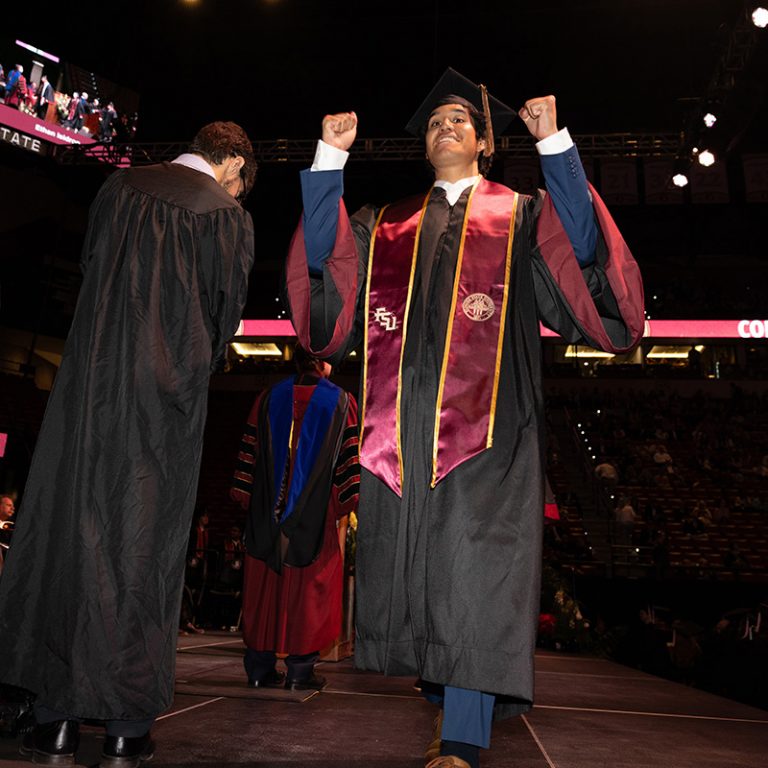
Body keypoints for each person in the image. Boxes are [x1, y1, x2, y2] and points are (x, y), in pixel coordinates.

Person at [284, 68, 644, 767]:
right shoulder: (386, 223)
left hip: (490, 432)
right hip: (401, 434)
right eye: (433, 122)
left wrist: (556, 148)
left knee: (475, 574)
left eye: (459, 119)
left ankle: (463, 737)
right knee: (430, 571)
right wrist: (329, 163)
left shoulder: (519, 216)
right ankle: (448, 688)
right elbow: (326, 282)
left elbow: (587, 260)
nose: (443, 126)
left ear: (483, 142)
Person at [0, 121, 256, 767]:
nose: (239, 191)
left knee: (71, 538)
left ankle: (55, 719)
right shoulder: (226, 217)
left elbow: (91, 273)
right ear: (231, 159)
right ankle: (126, 725)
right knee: (144, 548)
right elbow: (222, 319)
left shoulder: (117, 188)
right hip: (160, 406)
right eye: (240, 180)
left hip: (89, 391)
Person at [231, 345, 360, 691]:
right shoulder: (342, 403)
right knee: (307, 594)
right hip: (313, 520)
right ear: (325, 361)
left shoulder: (268, 397)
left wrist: (258, 505)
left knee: (264, 592)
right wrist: (337, 508)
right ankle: (300, 672)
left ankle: (259, 670)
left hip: (265, 516)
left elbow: (247, 461)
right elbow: (348, 476)